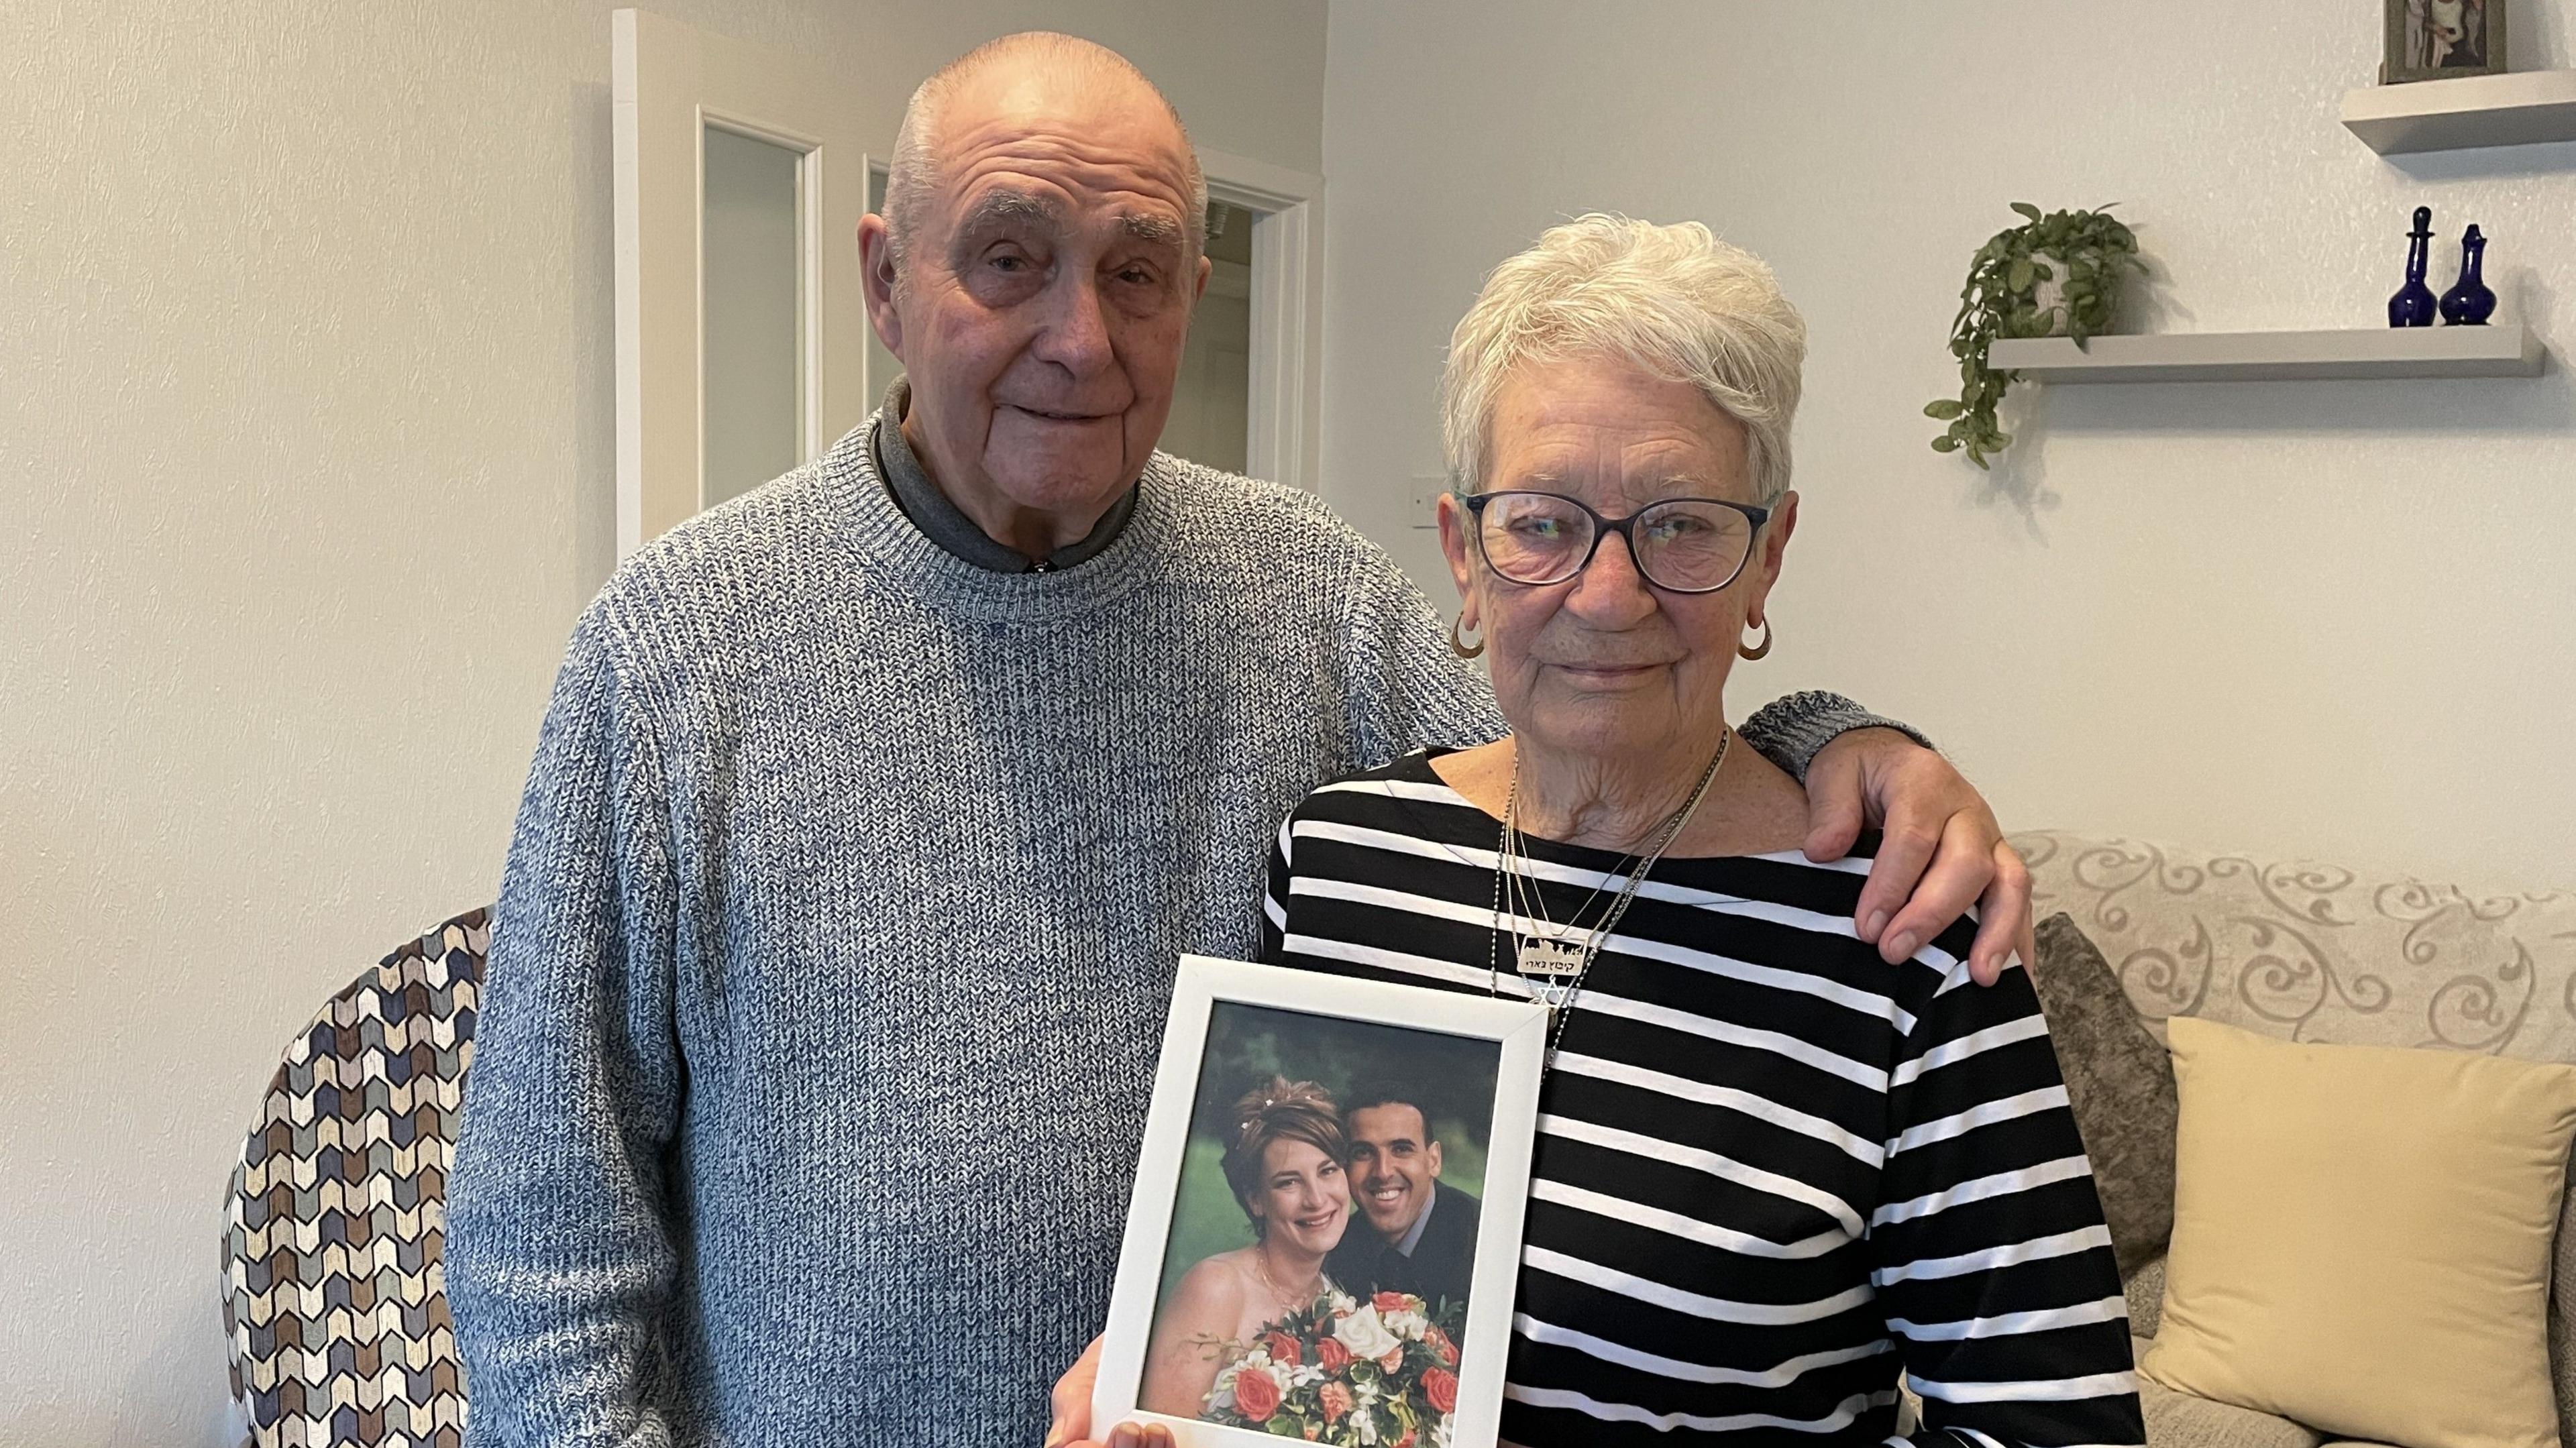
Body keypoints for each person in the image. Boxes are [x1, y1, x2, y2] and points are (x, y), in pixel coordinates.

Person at [447, 34, 2033, 1448]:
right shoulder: (670, 645)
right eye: (1008, 259)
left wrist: (1835, 740)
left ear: (1193, 292)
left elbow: (1584, 722)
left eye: (1135, 271)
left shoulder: (1306, 593)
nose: (1079, 334)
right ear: (883, 279)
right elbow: (542, 1228)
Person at [1057, 219, 2141, 1448]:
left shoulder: (1904, 930)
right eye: (1542, 521)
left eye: (1682, 523)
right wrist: (1168, 1383)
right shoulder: (1339, 856)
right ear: (1465, 555)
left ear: (1767, 557)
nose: (1610, 593)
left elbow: (2060, 1426)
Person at [1138, 1079, 1353, 1418]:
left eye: (1328, 1171)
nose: (1317, 1199)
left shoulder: (1336, 1303)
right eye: (1289, 1182)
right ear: (1256, 1200)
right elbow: (1160, 1433)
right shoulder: (1217, 1288)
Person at [1324, 1083, 1479, 1317]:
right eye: (1363, 1153)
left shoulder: (1482, 1238)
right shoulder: (1333, 1251)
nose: (1383, 1172)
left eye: (1401, 1149)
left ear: (1434, 1160)